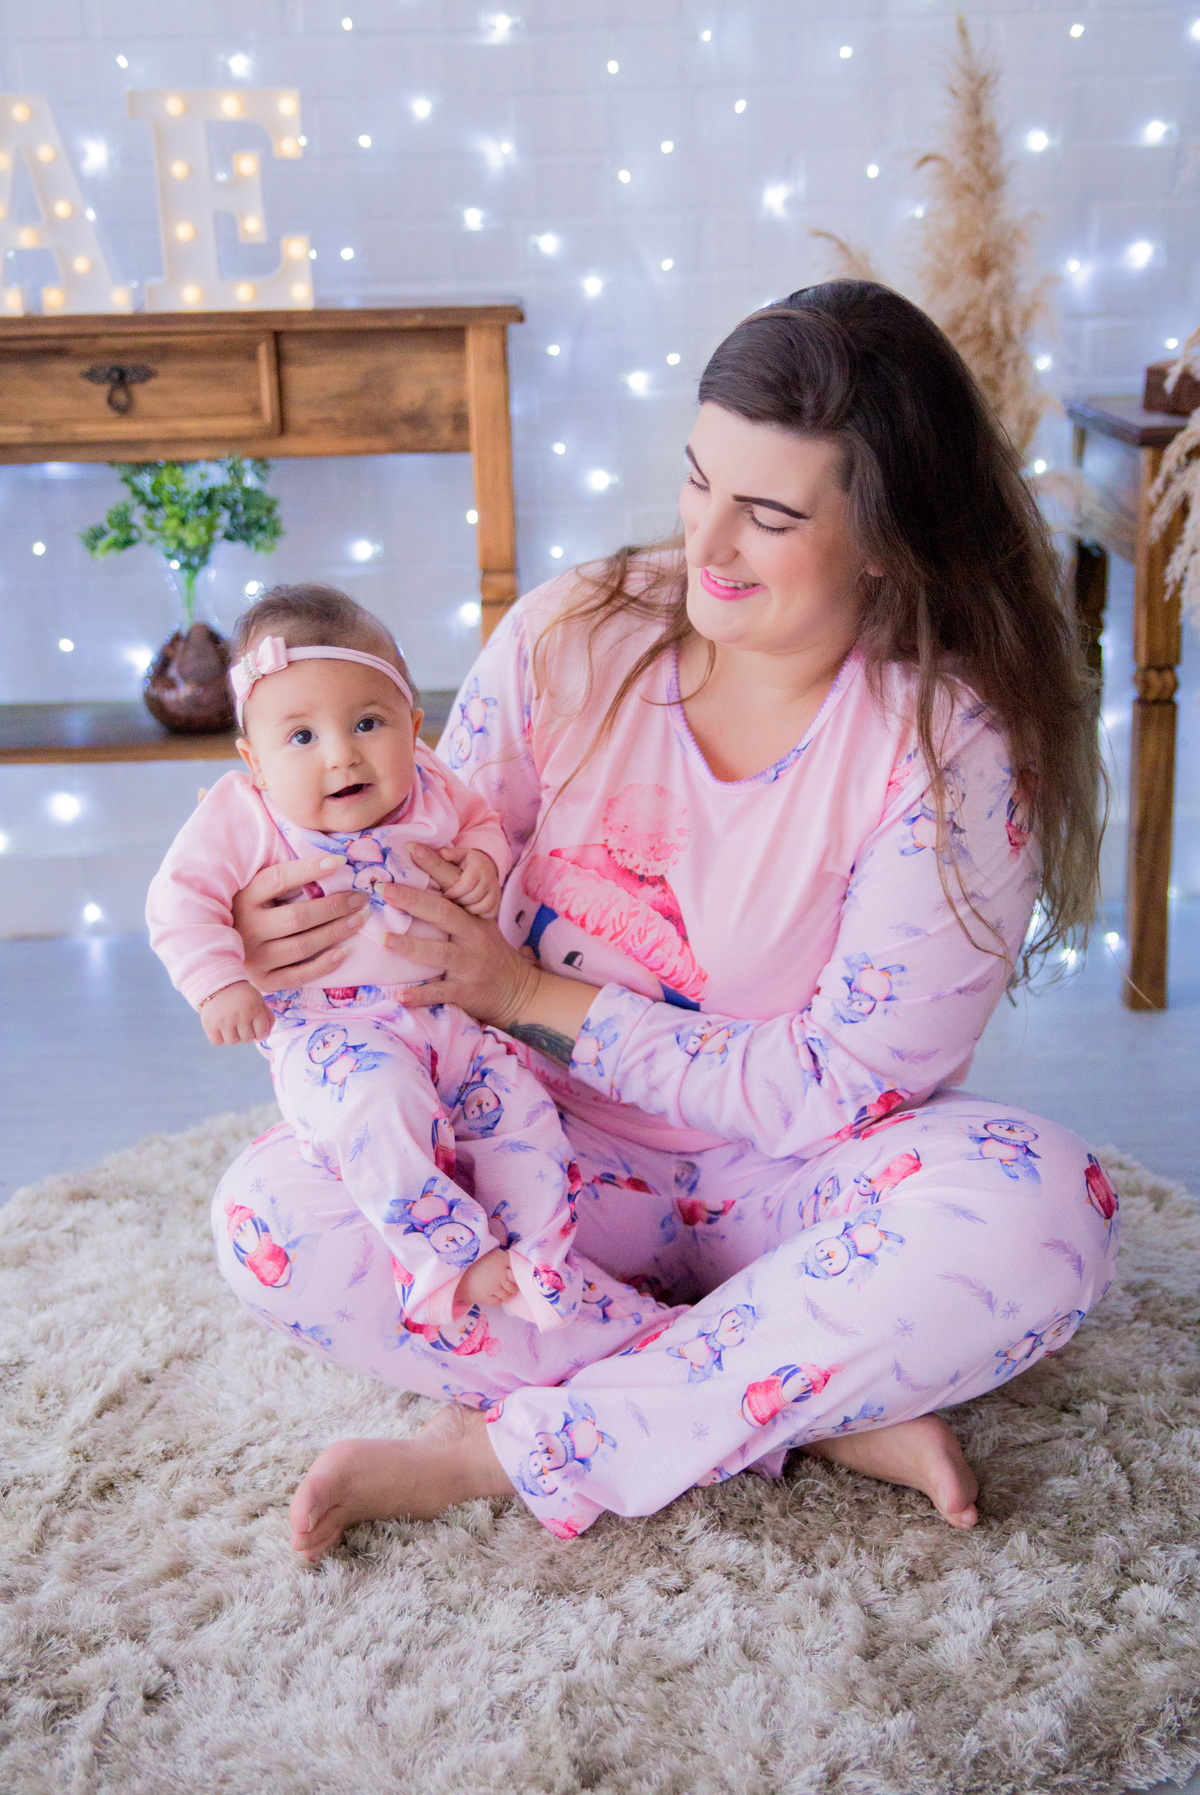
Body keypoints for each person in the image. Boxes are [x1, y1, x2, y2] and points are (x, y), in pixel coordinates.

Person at [213, 281, 1119, 1561]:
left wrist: (532, 995)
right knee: (267, 1216)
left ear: (884, 538)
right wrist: (294, 902)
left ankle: (519, 1444)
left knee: (1042, 1209)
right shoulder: (574, 635)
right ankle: (775, 1404)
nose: (710, 548)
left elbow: (848, 1083)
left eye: (770, 515)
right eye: (699, 483)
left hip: (791, 1178)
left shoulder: (949, 746)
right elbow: (422, 850)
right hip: (535, 1148)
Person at [147, 585, 586, 1336]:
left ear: (413, 728)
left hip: (446, 1023)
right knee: (379, 1114)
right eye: (302, 738)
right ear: (254, 760)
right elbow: (178, 902)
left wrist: (483, 858)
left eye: (367, 723)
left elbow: (479, 821)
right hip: (333, 1038)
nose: (342, 753)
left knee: (524, 1114)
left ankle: (542, 1255)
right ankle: (448, 1263)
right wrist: (217, 981)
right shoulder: (243, 815)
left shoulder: (431, 783)